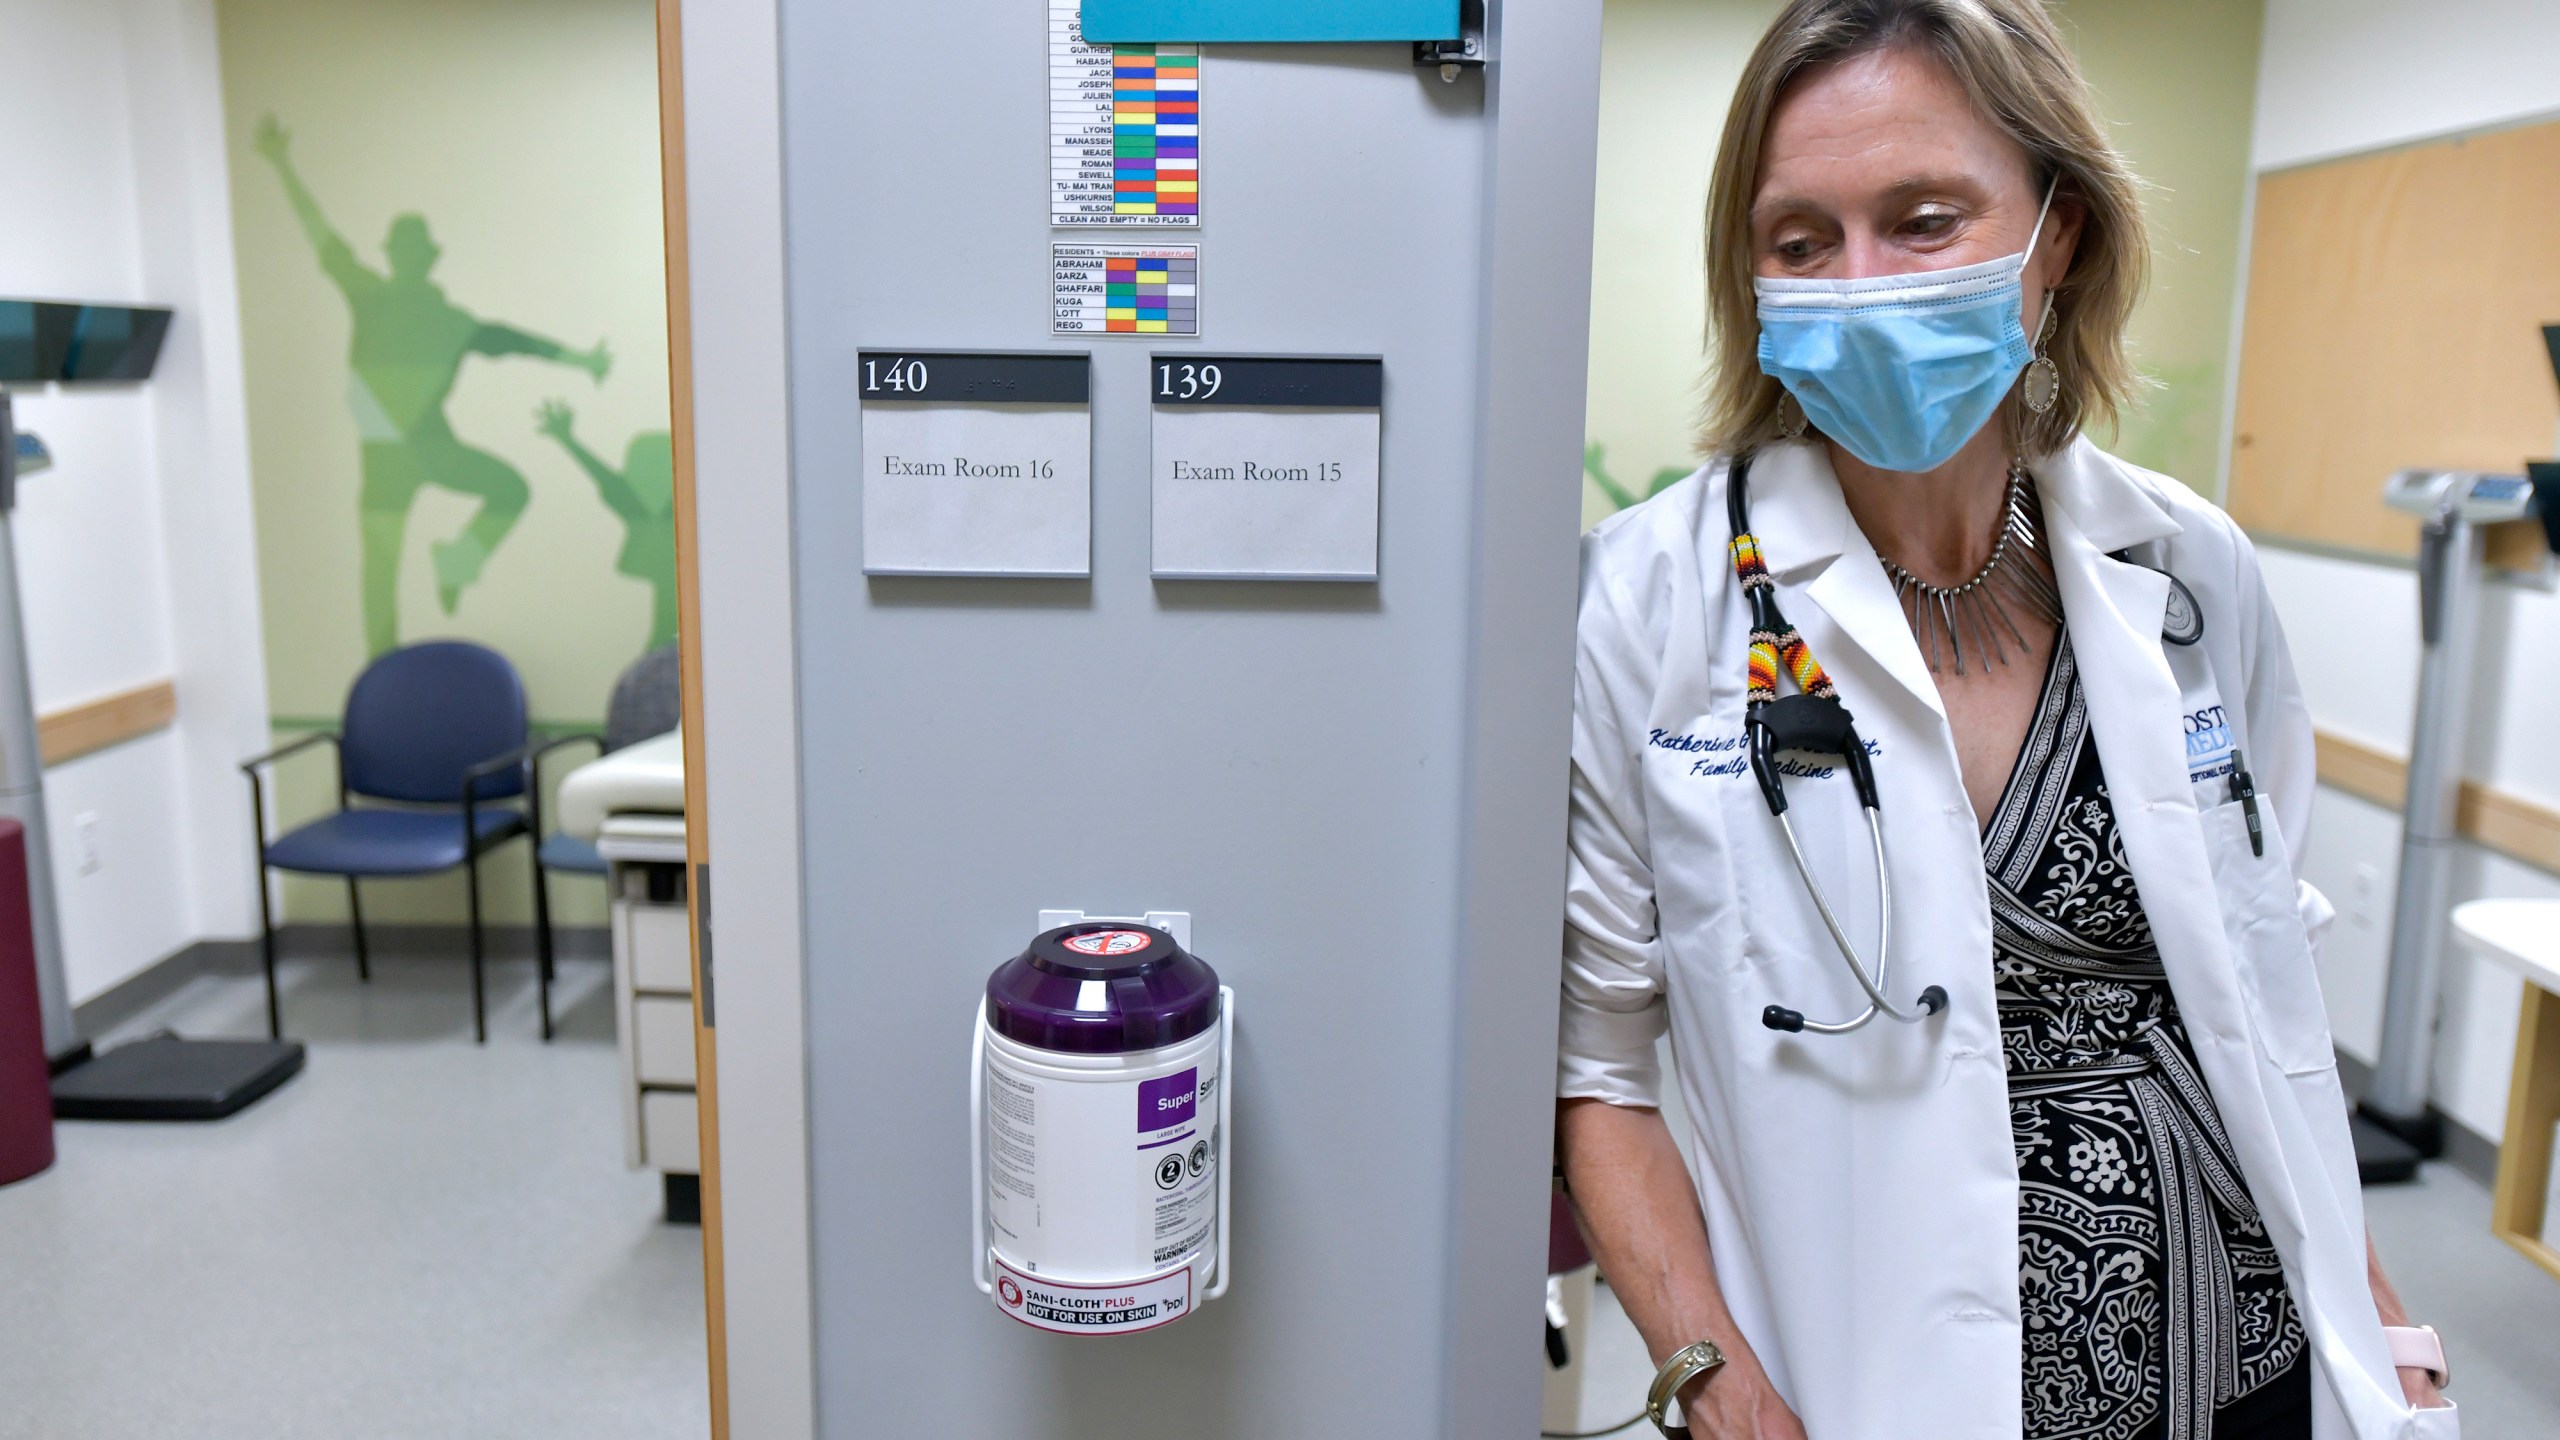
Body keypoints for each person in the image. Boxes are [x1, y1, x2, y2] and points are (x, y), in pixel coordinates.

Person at [1553, 3, 2457, 1437]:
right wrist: (1716, 1393)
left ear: (2063, 236)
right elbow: (1599, 1074)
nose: (1858, 284)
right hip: (1868, 1378)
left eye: (1922, 220)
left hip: (2241, 1356)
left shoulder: (2187, 569)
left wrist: (2371, 1305)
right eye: (1800, 242)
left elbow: (2258, 992)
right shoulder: (1644, 601)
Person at [255, 115, 612, 654]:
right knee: (379, 572)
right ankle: (381, 679)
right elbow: (321, 236)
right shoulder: (369, 296)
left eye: (415, 253)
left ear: (426, 260)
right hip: (386, 458)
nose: (408, 260)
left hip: (432, 445)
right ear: (394, 258)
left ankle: (457, 562)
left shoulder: (452, 322)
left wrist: (579, 359)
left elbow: (511, 339)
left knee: (509, 489)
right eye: (402, 252)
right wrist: (282, 164)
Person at [534, 400, 678, 654]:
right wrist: (567, 440)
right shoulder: (631, 501)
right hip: (655, 565)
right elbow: (601, 474)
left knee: (665, 625)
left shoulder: (683, 504)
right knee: (664, 626)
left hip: (669, 570)